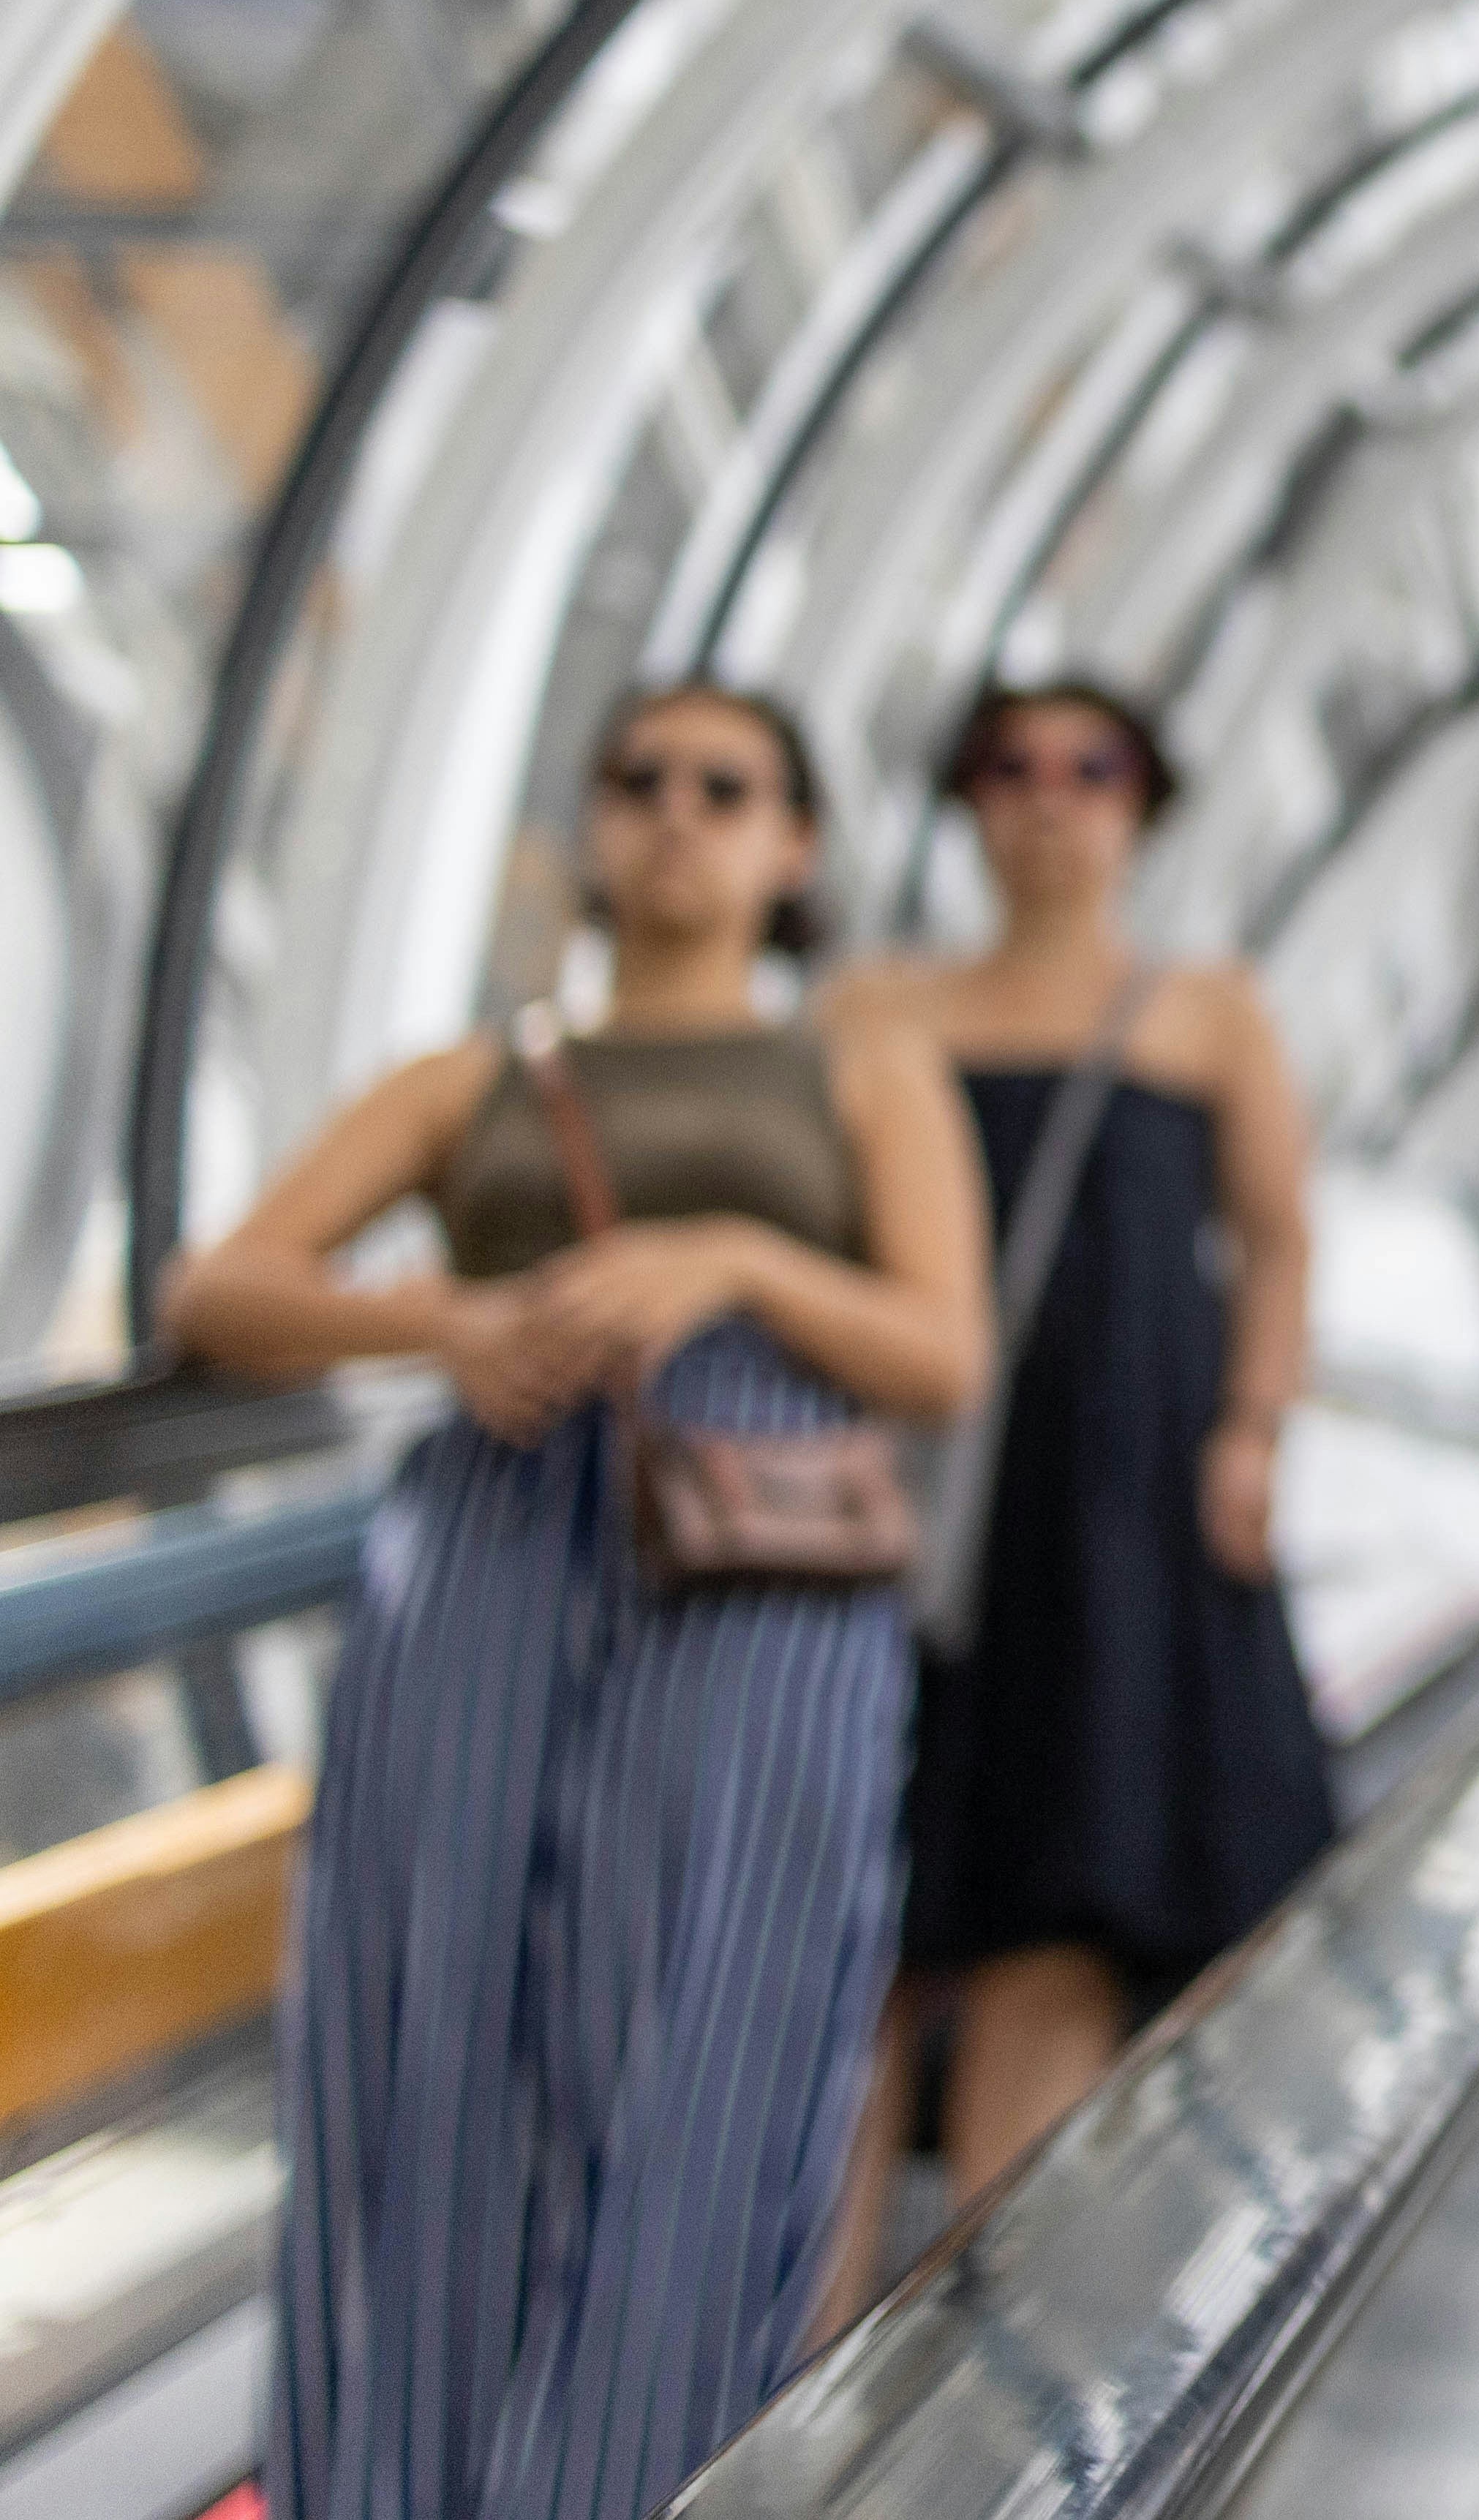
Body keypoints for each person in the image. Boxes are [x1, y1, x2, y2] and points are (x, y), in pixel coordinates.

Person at [167, 685, 989, 2520]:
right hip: (490, 1543)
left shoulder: (859, 1065)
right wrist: (445, 1318)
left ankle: (629, 2488)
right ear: (591, 831)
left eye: (729, 787)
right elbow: (218, 1289)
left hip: (758, 1559)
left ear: (794, 847)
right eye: (640, 783)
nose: (678, 815)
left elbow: (943, 1348)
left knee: (717, 2021)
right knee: (422, 2016)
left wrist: (740, 1256)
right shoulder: (482, 1074)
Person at [817, 680, 1333, 2303]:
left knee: (1057, 1904)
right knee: (858, 1925)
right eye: (1011, 768)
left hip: (1114, 1498)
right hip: (907, 1483)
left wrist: (1249, 1430)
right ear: (970, 801)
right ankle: (796, 2373)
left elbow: (1278, 1238)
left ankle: (969, 2367)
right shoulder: (881, 1008)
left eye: (1089, 768)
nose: (1050, 799)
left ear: (1141, 802)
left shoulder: (1206, 1011)